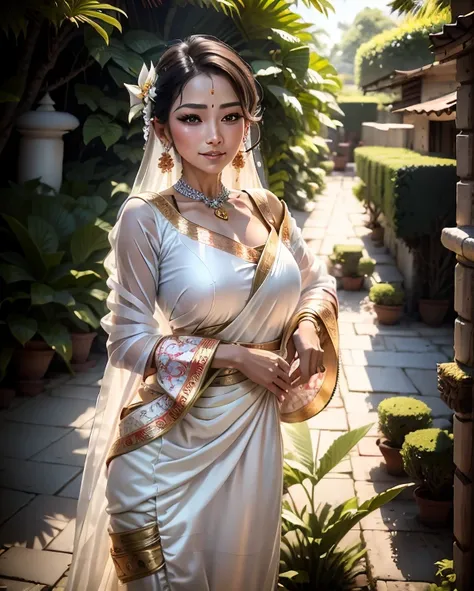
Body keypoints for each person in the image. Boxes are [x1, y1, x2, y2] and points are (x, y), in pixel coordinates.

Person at [66, 35, 339, 591]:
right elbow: (127, 341)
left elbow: (317, 281)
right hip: (168, 453)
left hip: (254, 442)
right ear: (163, 128)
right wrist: (234, 354)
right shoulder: (146, 219)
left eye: (230, 116)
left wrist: (309, 326)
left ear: (248, 122)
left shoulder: (268, 210)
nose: (215, 136)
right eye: (192, 117)